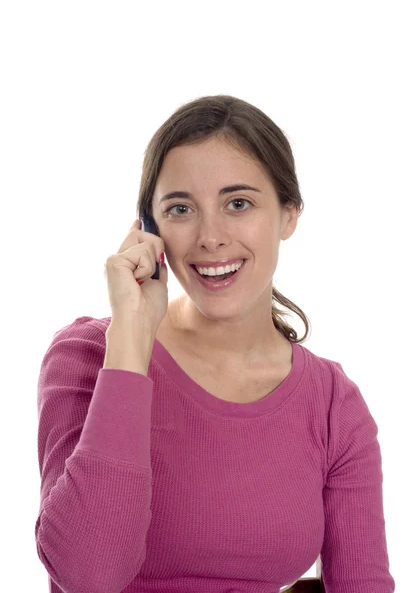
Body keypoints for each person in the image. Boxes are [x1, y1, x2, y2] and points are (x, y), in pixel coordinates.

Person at [35, 95, 395, 592]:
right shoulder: (88, 355)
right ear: (149, 230)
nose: (210, 237)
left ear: (289, 215)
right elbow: (88, 577)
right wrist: (130, 346)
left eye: (238, 203)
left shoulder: (334, 403)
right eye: (181, 209)